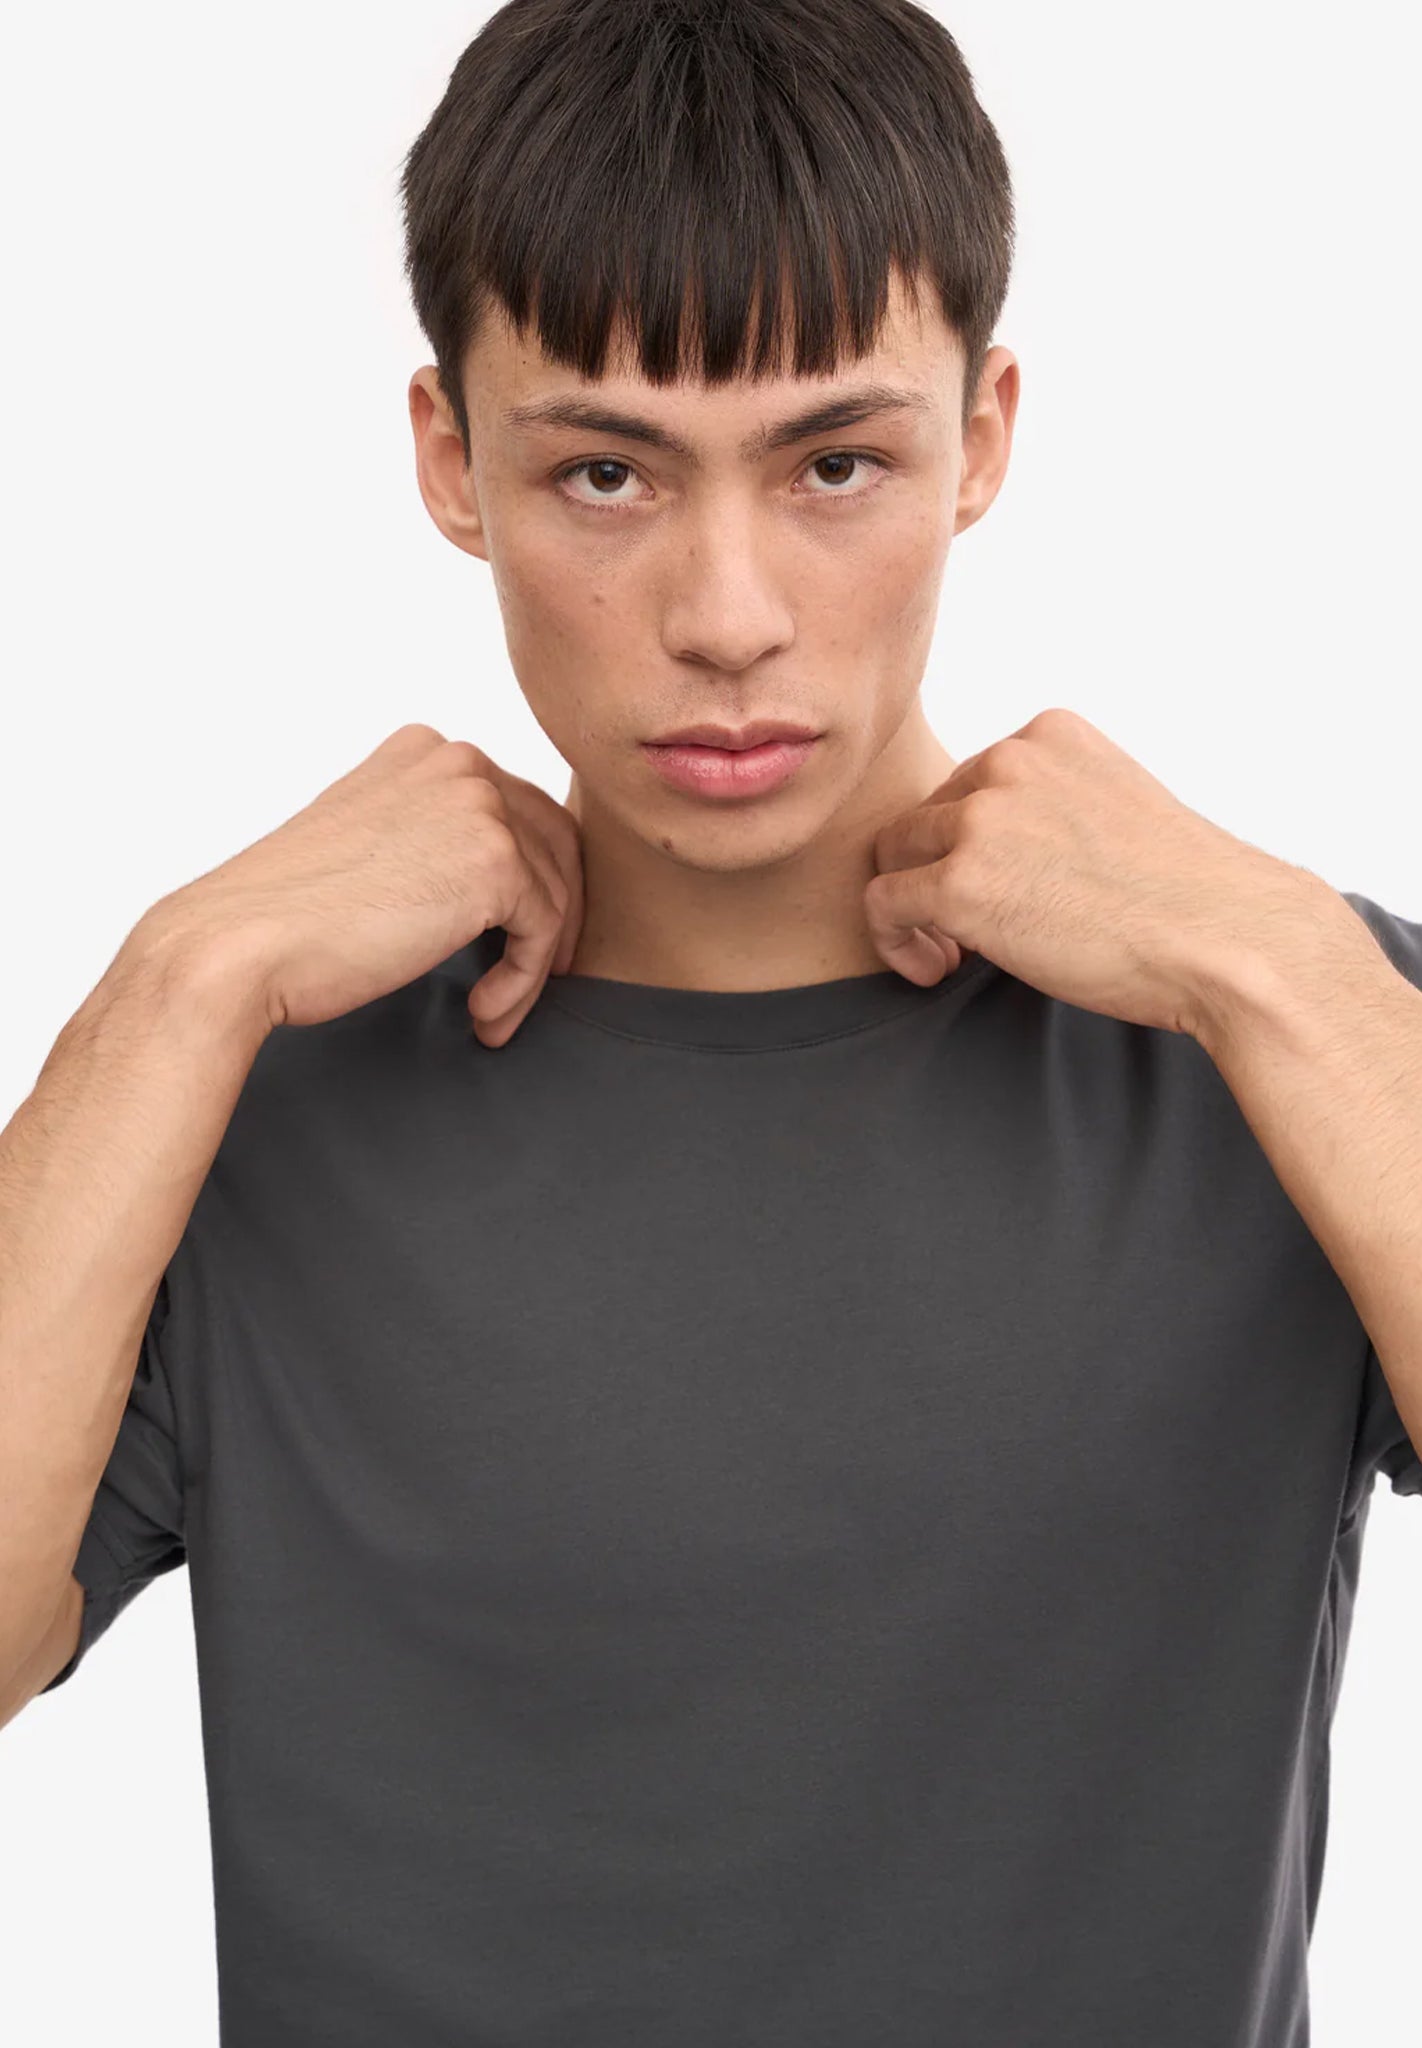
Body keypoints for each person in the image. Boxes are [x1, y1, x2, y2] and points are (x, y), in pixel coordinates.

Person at [2, 1, 1419, 2042]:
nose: (728, 615)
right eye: (606, 472)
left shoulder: (1303, 1031)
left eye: (836, 462)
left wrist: (1280, 969)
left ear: (983, 437)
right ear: (451, 460)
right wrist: (171, 985)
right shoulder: (231, 1091)